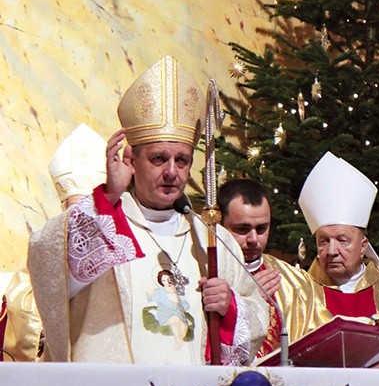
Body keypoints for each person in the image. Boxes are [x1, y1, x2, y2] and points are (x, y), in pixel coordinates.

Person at [27, 55, 268, 365]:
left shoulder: (213, 240)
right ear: (132, 161)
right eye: (158, 159)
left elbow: (258, 315)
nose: (171, 172)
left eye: (181, 161)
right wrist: (110, 195)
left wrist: (230, 307)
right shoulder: (106, 223)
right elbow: (50, 267)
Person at [298, 151, 379, 368]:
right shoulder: (299, 295)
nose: (332, 251)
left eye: (342, 240)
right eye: (323, 241)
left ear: (363, 247)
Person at [3, 123, 107, 361]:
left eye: (90, 210)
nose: (82, 219)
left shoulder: (117, 251)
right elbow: (22, 310)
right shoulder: (44, 250)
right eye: (75, 210)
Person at [217, 178, 313, 359]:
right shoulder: (206, 271)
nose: (254, 239)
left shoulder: (296, 282)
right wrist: (245, 301)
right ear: (220, 225)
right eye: (242, 229)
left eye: (262, 228)